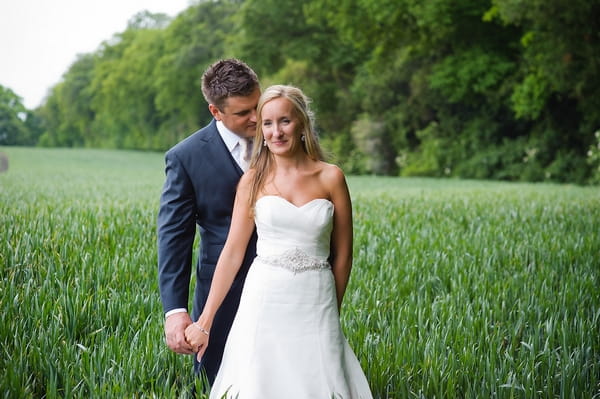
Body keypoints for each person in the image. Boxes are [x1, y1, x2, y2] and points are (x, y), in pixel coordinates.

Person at [185, 85, 373, 398]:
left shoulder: (331, 177)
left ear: (302, 124)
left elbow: (343, 255)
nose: (276, 132)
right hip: (264, 296)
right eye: (268, 124)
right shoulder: (253, 180)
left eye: (284, 121)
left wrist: (331, 307)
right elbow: (232, 253)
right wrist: (204, 322)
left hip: (316, 298)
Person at [157, 58, 260, 385]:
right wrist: (175, 312)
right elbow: (174, 239)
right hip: (220, 292)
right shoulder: (185, 157)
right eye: (244, 113)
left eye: (258, 105)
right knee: (217, 383)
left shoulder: (282, 135)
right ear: (216, 111)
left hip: (284, 285)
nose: (256, 118)